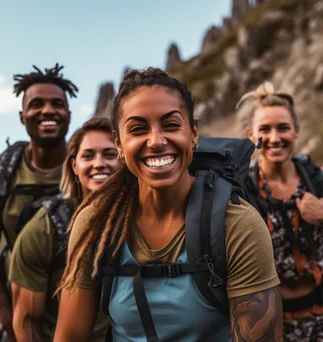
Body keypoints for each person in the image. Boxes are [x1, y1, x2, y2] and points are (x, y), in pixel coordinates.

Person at [54, 68, 283, 342]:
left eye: (171, 125)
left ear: (194, 132)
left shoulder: (237, 224)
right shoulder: (96, 222)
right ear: (119, 144)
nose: (156, 141)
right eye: (137, 129)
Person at [0, 63, 78, 341]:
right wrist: (6, 313)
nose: (48, 110)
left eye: (57, 104)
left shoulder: (92, 167)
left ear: (69, 116)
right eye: (37, 104)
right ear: (23, 116)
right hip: (25, 307)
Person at [8, 117, 119, 342]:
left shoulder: (145, 217)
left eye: (110, 154)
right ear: (74, 166)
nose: (99, 163)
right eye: (88, 155)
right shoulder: (44, 229)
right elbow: (26, 321)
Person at [239, 81, 323, 341]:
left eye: (283, 128)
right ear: (251, 136)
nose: (275, 138)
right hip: (274, 322)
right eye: (265, 129)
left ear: (296, 131)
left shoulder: (315, 177)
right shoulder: (242, 188)